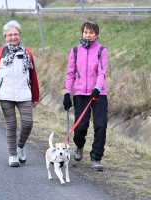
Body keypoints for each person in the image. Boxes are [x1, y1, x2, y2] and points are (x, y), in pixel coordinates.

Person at [0, 20, 39, 167]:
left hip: (24, 94)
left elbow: (33, 76)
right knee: (11, 126)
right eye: (10, 35)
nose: (13, 37)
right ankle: (12, 155)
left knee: (28, 123)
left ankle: (20, 146)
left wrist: (35, 97)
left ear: (20, 35)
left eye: (16, 34)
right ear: (5, 37)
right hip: (5, 95)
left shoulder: (27, 53)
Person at [63, 21, 108, 171]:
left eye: (91, 32)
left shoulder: (102, 50)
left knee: (100, 125)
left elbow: (102, 71)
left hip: (98, 93)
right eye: (85, 32)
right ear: (82, 33)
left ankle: (96, 157)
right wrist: (67, 93)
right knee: (80, 127)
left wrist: (97, 87)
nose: (88, 35)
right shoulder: (75, 50)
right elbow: (70, 74)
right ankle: (79, 145)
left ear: (96, 35)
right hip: (80, 93)